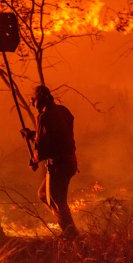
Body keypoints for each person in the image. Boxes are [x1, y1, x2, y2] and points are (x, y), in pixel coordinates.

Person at [21, 85, 78, 239]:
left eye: (33, 98)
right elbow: (53, 138)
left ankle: (71, 234)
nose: (32, 102)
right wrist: (33, 135)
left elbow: (43, 148)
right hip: (70, 162)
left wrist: (34, 160)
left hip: (58, 165)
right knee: (43, 194)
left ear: (41, 99)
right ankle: (67, 228)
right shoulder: (62, 111)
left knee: (56, 199)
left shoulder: (44, 117)